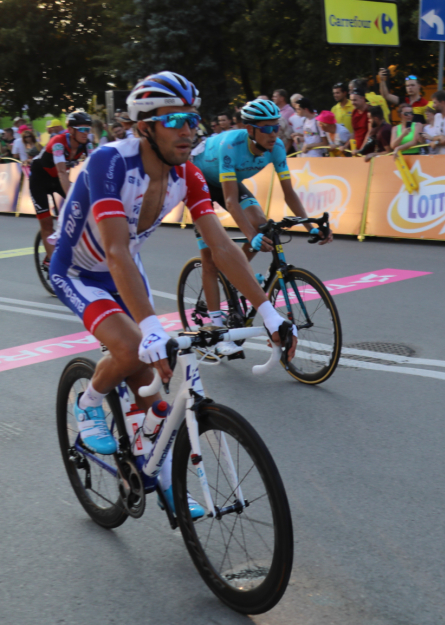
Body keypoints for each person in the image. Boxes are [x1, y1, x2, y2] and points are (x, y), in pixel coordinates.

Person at [50, 73, 298, 518]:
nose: (189, 130)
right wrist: (148, 328)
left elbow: (220, 246)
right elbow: (115, 247)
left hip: (127, 271)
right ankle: (88, 404)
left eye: (193, 119)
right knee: (131, 347)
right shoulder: (110, 161)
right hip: (82, 271)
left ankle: (159, 479)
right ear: (145, 126)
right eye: (176, 120)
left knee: (153, 385)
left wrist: (268, 312)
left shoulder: (187, 173)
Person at [191, 98, 331, 357]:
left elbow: (289, 194)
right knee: (210, 258)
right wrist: (251, 236)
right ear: (250, 129)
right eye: (266, 128)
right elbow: (231, 201)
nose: (273, 134)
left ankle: (235, 273)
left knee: (262, 225)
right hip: (198, 179)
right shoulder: (231, 145)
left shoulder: (276, 147)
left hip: (226, 182)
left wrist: (310, 225)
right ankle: (216, 329)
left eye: (276, 127)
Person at [30, 111, 92, 259]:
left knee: (86, 203)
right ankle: (52, 264)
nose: (86, 133)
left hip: (57, 179)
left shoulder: (87, 144)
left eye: (87, 129)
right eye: (82, 129)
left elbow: (95, 169)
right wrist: (72, 198)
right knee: (47, 224)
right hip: (39, 180)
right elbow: (62, 173)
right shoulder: (58, 142)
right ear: (70, 130)